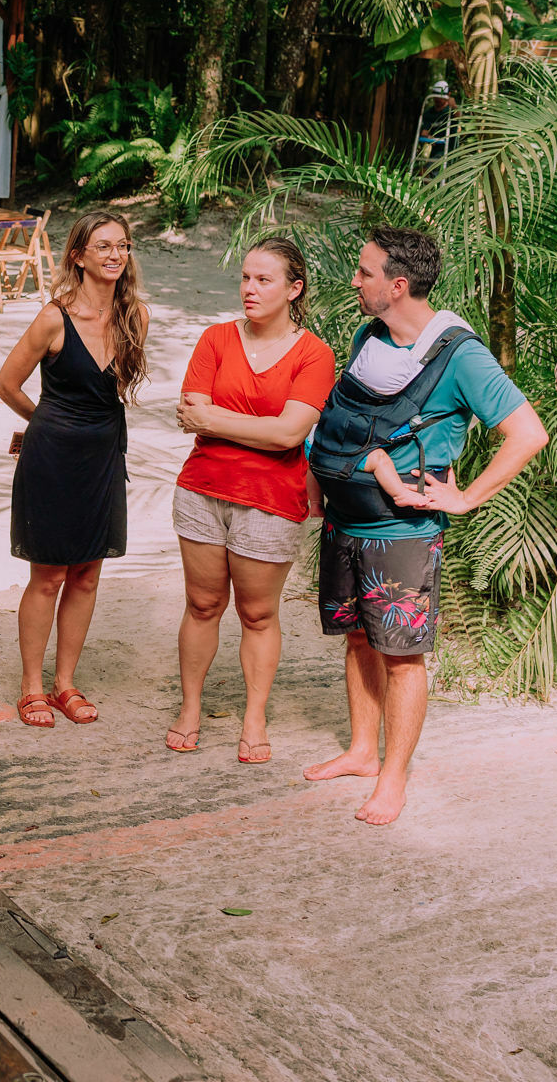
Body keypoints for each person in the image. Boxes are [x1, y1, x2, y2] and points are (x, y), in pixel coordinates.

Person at [305, 227, 547, 825]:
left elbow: (527, 434)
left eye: (364, 273)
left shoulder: (460, 355)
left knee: (402, 656)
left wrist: (466, 498)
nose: (354, 281)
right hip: (345, 520)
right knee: (359, 638)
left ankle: (394, 778)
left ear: (399, 284)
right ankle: (363, 752)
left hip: (403, 535)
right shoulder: (371, 336)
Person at [169, 238, 336, 762]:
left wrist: (219, 421)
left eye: (264, 280)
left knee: (258, 614)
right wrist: (262, 427)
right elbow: (191, 408)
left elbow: (289, 435)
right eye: (245, 277)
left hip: (270, 500)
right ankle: (190, 708)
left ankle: (254, 717)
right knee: (202, 605)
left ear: (294, 288)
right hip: (201, 490)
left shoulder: (314, 353)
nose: (249, 289)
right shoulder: (216, 339)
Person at [0, 212, 150, 729]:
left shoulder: (135, 317)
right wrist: (46, 425)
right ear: (78, 255)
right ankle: (32, 687)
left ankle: (65, 683)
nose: (114, 254)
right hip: (53, 460)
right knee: (48, 576)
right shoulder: (52, 319)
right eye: (102, 246)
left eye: (122, 246)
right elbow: (7, 384)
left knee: (86, 574)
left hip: (104, 458)